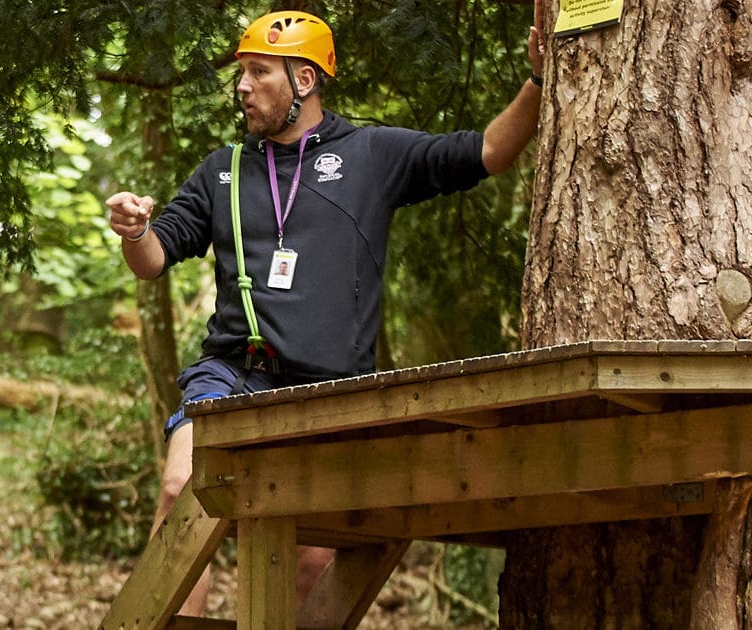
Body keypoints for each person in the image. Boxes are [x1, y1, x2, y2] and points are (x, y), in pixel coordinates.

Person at [106, 9, 544, 612]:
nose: (242, 86)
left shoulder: (372, 153)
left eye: (260, 72)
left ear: (305, 81)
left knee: (310, 558)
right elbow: (155, 259)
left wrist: (540, 81)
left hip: (329, 389)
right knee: (183, 488)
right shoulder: (223, 171)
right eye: (241, 72)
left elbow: (490, 152)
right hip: (235, 371)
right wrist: (135, 231)